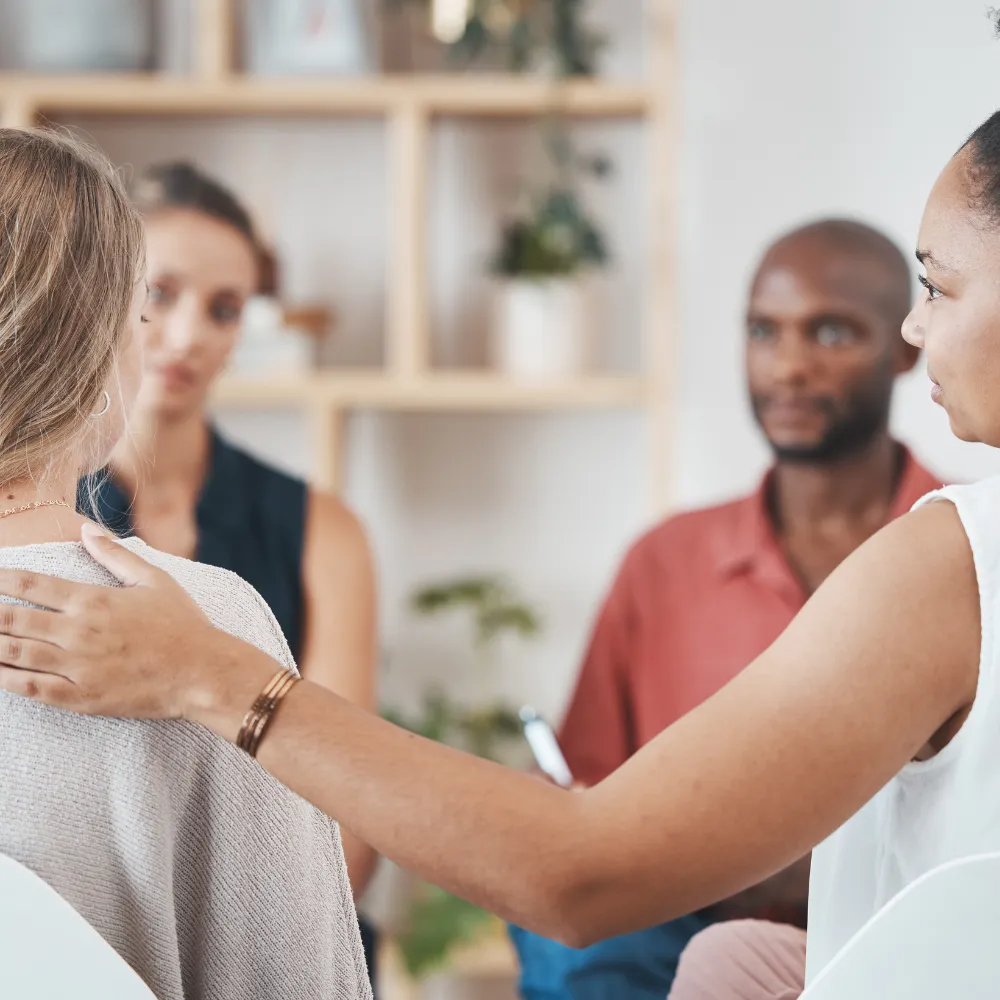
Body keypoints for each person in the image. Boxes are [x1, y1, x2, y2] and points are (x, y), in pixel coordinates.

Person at [8, 105, 1000, 995]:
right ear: (108, 350)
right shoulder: (211, 612)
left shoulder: (947, 561)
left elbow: (580, 867)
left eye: (937, 287)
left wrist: (218, 677)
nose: (917, 325)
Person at [510, 217, 940, 999]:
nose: (789, 366)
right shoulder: (663, 563)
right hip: (675, 941)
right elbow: (590, 795)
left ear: (906, 346)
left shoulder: (967, 545)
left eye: (832, 332)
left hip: (904, 942)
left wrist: (763, 855)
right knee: (563, 933)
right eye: (762, 331)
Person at [0, 128, 371, 999]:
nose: (177, 338)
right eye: (147, 303)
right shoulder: (219, 619)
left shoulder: (296, 550)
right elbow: (294, 973)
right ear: (100, 348)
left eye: (225, 306)